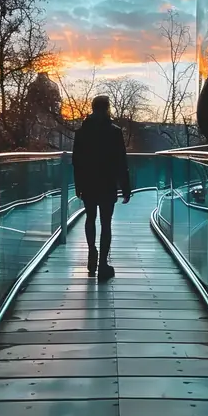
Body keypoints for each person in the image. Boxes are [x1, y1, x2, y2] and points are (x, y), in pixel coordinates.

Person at [72, 95, 131, 279]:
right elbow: (121, 161)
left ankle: (92, 251)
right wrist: (125, 187)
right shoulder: (114, 132)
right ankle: (103, 263)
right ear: (107, 108)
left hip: (88, 182)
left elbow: (77, 162)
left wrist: (78, 185)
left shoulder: (82, 132)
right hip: (107, 183)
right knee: (106, 223)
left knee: (90, 218)